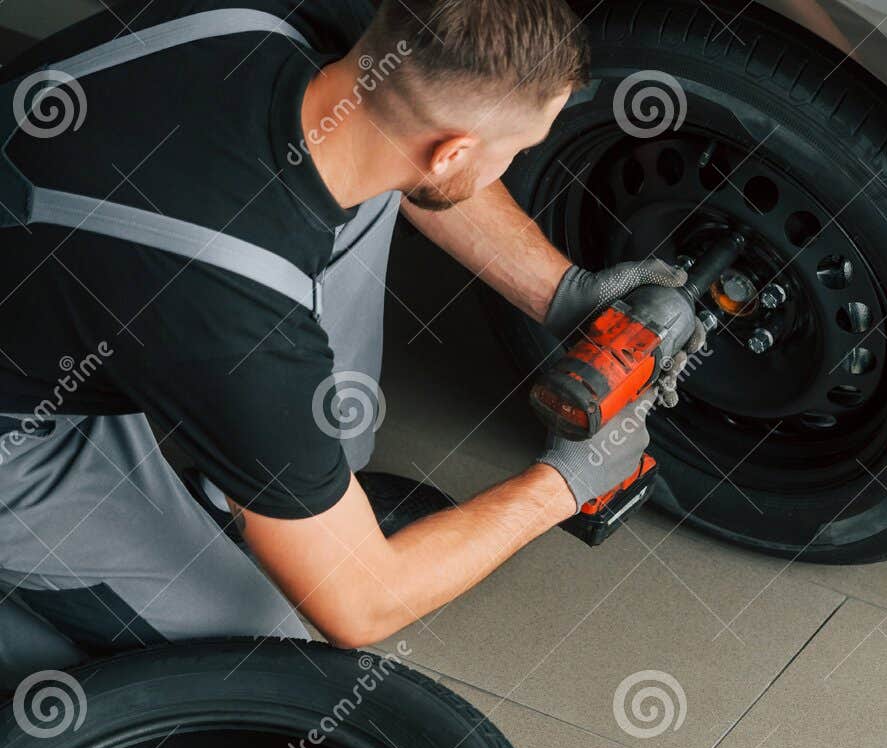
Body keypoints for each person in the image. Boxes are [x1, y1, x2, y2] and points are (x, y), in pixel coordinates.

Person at [0, 0, 699, 686]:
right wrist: (566, 482)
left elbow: (411, 157)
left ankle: (252, 486)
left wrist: (565, 292)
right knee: (266, 642)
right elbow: (359, 607)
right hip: (24, 430)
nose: (513, 161)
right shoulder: (239, 328)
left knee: (370, 181)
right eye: (514, 151)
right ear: (453, 152)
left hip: (66, 257)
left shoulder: (343, 32)